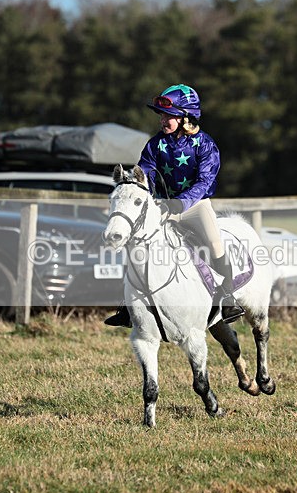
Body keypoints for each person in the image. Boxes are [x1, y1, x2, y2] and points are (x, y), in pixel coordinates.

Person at [105, 84, 245, 327]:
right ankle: (128, 306)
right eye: (161, 115)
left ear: (185, 117)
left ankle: (229, 297)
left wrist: (180, 204)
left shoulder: (205, 144)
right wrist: (133, 183)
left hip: (195, 206)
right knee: (136, 245)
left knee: (214, 242)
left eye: (168, 115)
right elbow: (144, 172)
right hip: (162, 207)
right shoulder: (154, 144)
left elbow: (204, 181)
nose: (163, 120)